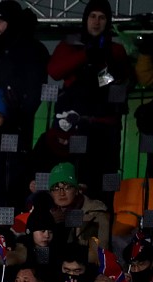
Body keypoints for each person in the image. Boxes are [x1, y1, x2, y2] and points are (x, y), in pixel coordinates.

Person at [47, 0, 131, 203]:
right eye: (92, 16)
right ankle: (70, 221)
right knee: (73, 178)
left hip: (105, 128)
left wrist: (104, 70)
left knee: (104, 182)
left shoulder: (115, 50)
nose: (96, 22)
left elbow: (120, 80)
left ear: (108, 22)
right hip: (74, 127)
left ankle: (102, 219)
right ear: (85, 19)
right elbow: (55, 71)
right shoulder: (71, 44)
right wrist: (86, 55)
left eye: (102, 17)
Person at [0, 0, 50, 139]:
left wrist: (20, 117)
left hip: (16, 125)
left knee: (10, 153)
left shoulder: (32, 50)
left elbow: (34, 91)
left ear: (11, 22)